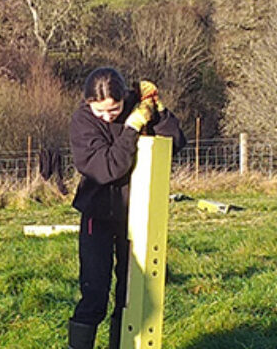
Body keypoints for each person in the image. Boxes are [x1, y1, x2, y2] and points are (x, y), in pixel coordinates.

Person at [66, 67, 185, 349]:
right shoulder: (82, 123)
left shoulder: (138, 109)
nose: (108, 117)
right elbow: (108, 167)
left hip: (138, 214)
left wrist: (157, 109)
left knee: (129, 293)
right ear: (88, 104)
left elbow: (176, 142)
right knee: (94, 293)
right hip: (99, 215)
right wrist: (131, 128)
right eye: (100, 111)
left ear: (123, 99)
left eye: (114, 109)